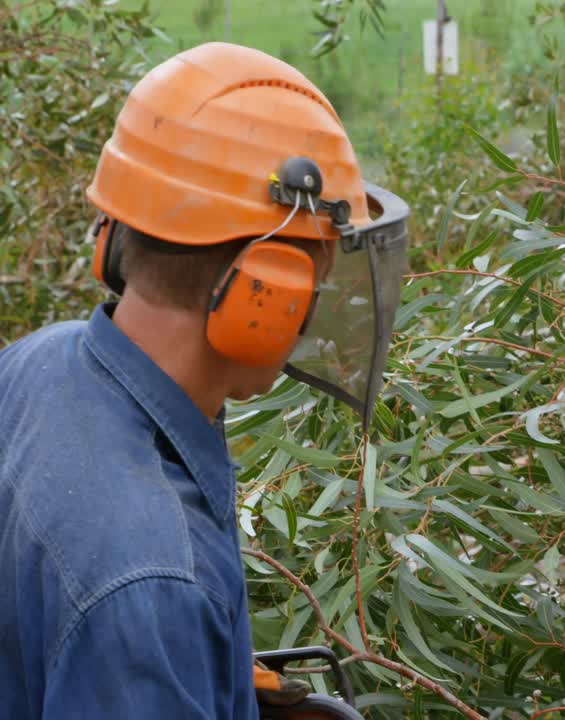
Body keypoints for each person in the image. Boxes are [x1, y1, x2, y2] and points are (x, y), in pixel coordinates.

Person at [0, 42, 409, 718]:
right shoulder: (151, 583)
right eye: (318, 276)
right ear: (266, 290)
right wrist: (164, 650)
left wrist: (204, 675)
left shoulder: (35, 363)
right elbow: (124, 603)